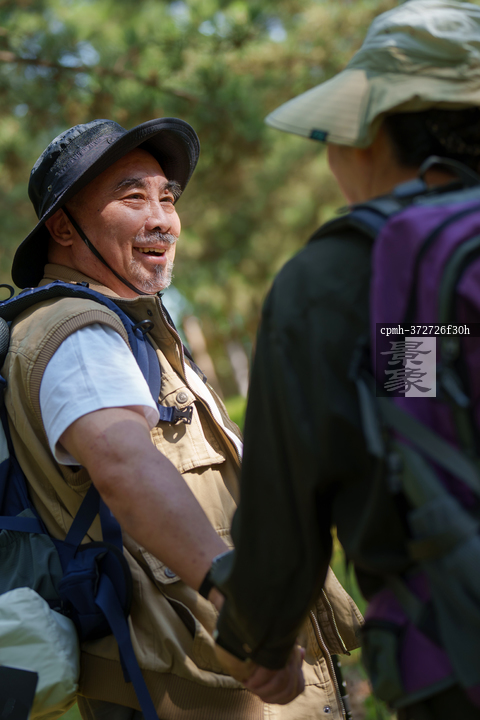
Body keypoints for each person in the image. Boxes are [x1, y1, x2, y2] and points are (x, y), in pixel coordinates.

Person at [4, 117, 361, 720]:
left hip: (209, 668)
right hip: (192, 681)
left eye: (167, 198)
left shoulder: (134, 329)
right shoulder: (78, 332)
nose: (162, 219)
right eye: (132, 197)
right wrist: (235, 594)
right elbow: (123, 464)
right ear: (63, 228)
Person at [208, 1, 480, 718]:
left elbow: (295, 500)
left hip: (456, 650)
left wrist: (256, 638)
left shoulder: (342, 277)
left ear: (372, 134)